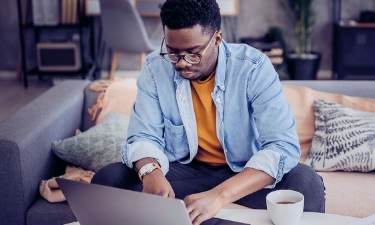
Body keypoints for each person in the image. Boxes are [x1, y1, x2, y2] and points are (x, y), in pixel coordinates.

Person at [91, 0, 325, 224]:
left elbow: (281, 146)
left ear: (217, 39)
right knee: (108, 179)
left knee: (306, 183)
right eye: (172, 52)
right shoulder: (155, 68)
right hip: (186, 172)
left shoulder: (253, 68)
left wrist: (219, 196)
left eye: (193, 53)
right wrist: (151, 172)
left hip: (245, 173)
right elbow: (143, 136)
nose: (182, 63)